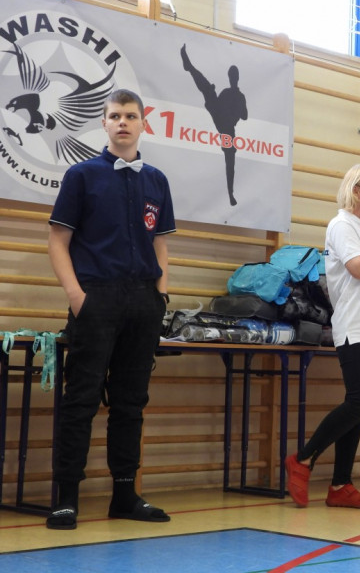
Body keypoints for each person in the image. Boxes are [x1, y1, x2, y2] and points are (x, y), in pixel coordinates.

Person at [46, 89, 176, 530]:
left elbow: (160, 243)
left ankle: (124, 494)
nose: (123, 122)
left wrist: (160, 295)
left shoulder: (156, 180)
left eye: (131, 116)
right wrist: (77, 296)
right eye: (116, 115)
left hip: (143, 301)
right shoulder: (82, 175)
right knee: (81, 399)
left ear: (142, 123)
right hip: (95, 297)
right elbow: (58, 240)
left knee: (130, 403)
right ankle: (66, 497)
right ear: (103, 123)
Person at [284, 164, 360, 509]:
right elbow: (358, 268)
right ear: (356, 191)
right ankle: (303, 458)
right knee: (359, 402)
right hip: (354, 325)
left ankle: (341, 484)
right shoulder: (341, 225)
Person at [180, 44, 248, 206]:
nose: (232, 78)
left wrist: (237, 107)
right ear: (233, 77)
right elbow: (237, 112)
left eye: (233, 76)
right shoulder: (231, 93)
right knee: (208, 90)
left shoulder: (238, 95)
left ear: (234, 78)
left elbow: (245, 116)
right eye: (232, 76)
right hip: (221, 118)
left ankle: (230, 193)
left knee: (230, 159)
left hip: (227, 127)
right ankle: (190, 68)